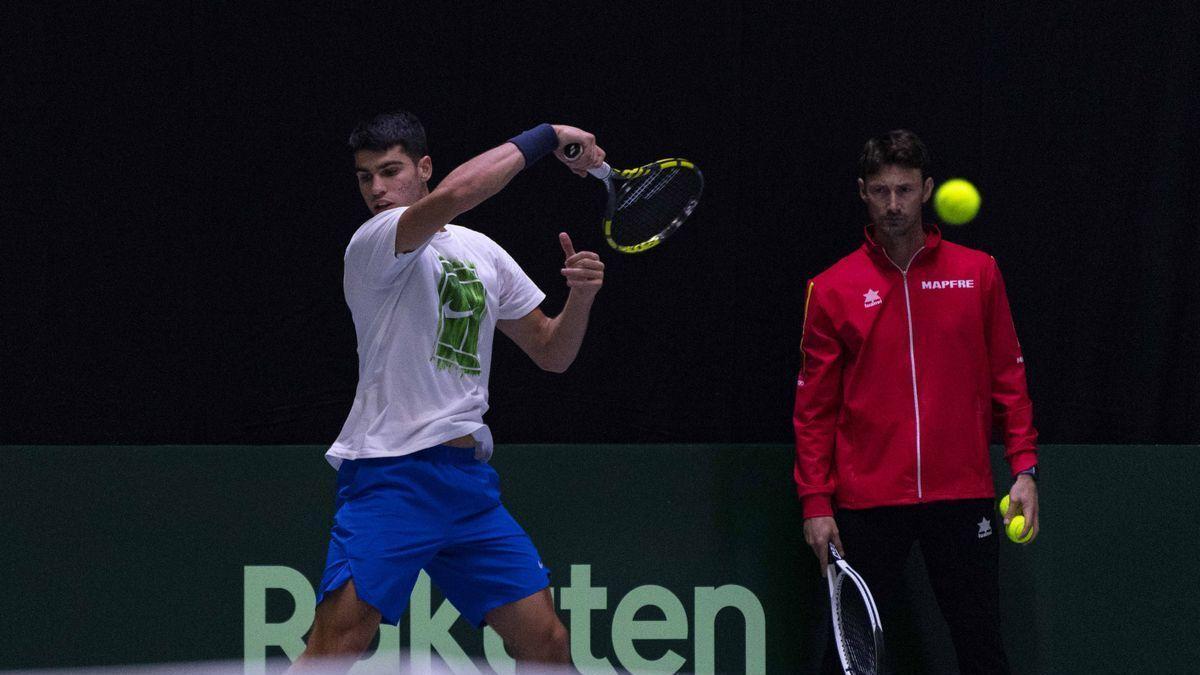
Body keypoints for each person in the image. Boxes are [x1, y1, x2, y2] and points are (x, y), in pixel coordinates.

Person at [291, 111, 606, 670]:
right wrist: (548, 137)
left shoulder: (480, 251)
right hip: (393, 475)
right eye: (366, 178)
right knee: (336, 647)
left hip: (466, 486)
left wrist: (579, 298)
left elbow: (552, 353)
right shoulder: (376, 240)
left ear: (423, 167)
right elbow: (461, 193)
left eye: (390, 172)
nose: (378, 190)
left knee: (548, 644)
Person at [793, 130, 1039, 674]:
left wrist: (1023, 468)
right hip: (867, 501)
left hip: (962, 492)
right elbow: (813, 410)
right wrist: (815, 502)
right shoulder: (832, 288)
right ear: (862, 192)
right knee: (848, 655)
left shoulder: (978, 273)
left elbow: (1009, 376)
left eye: (904, 189)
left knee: (981, 644)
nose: (894, 205)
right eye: (880, 191)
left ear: (928, 189)